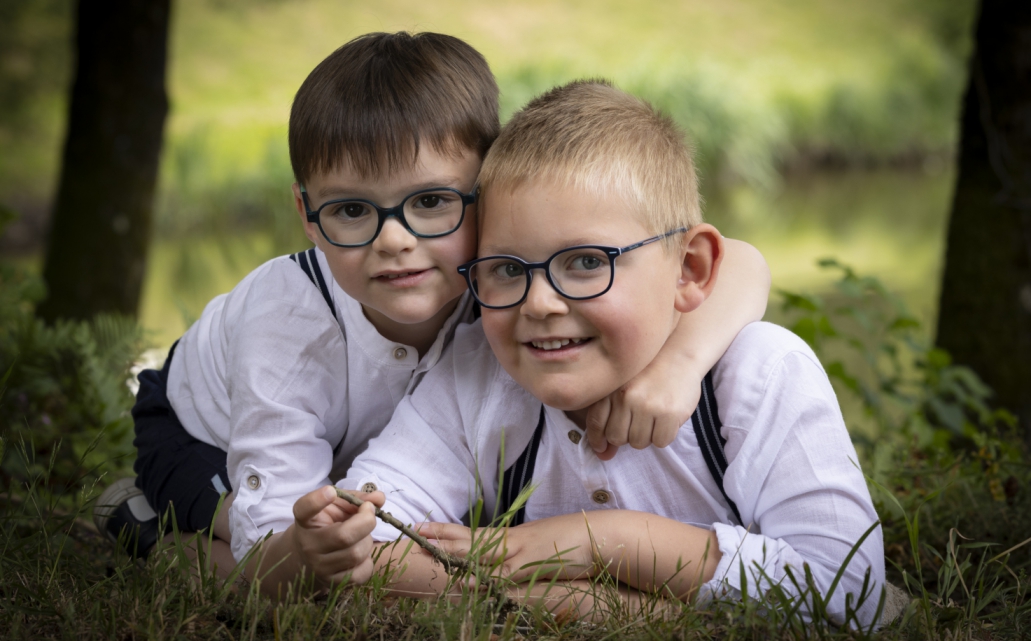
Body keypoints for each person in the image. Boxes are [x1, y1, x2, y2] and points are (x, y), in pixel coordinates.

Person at [92, 34, 771, 596]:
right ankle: (154, 536)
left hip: (366, 450)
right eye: (352, 210)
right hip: (202, 435)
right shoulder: (289, 331)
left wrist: (680, 366)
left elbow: (739, 263)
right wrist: (315, 551)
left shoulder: (504, 274)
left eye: (431, 202)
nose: (394, 240)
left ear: (488, 191)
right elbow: (282, 538)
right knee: (278, 561)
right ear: (308, 216)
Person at [338, 80, 885, 627]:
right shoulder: (476, 375)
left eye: (585, 262)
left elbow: (854, 594)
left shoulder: (759, 374)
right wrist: (587, 608)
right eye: (507, 269)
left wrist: (604, 540)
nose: (541, 302)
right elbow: (361, 543)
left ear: (689, 269)